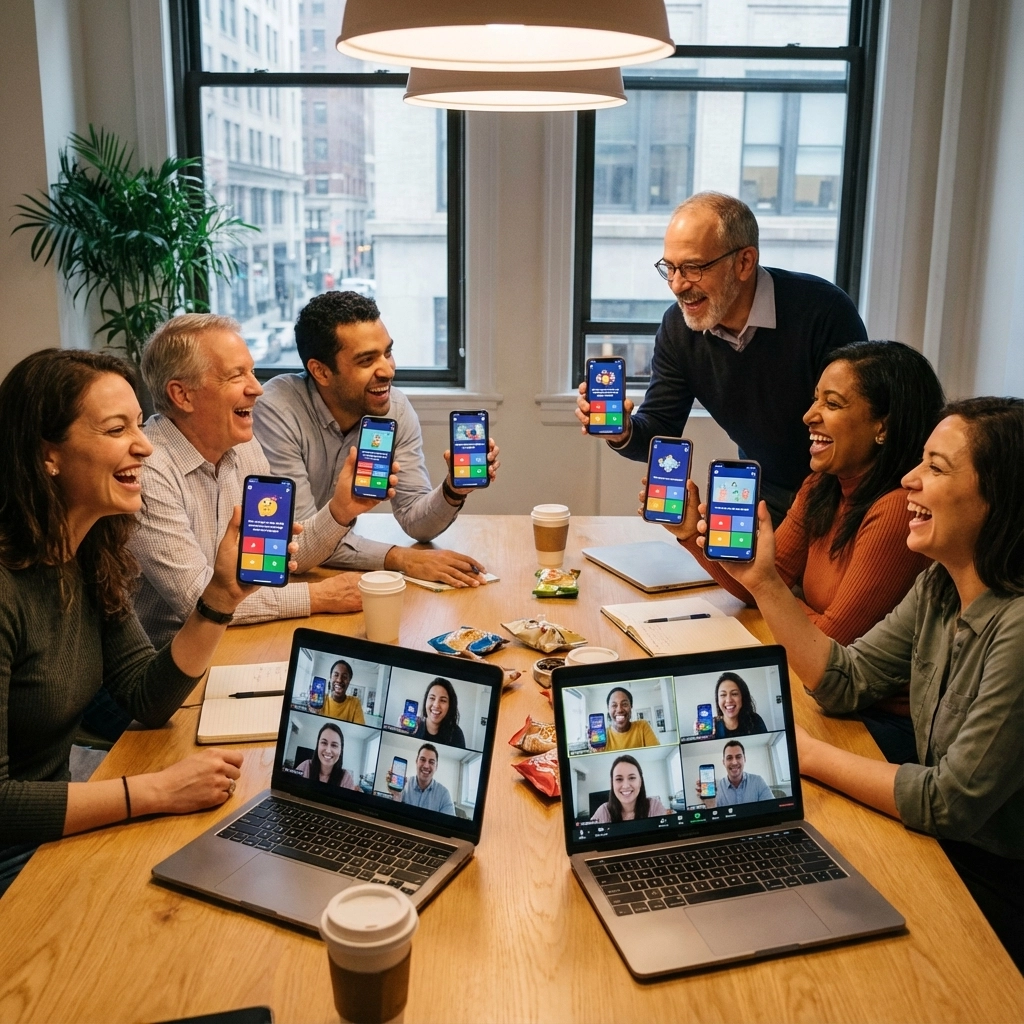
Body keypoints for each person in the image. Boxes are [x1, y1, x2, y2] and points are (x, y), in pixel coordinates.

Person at [697, 397, 1023, 969]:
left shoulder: (1017, 628)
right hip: (940, 844)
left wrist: (803, 754)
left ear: (999, 498)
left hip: (992, 882)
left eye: (936, 468)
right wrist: (765, 582)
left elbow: (949, 803)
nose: (909, 480)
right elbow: (845, 680)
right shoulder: (939, 588)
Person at [0, 349, 267, 896]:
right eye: (116, 429)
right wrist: (154, 791)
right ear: (48, 454)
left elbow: (146, 698)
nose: (144, 446)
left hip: (54, 828)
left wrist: (220, 597)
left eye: (138, 426)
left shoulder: (87, 553)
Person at [659, 341, 944, 762]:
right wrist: (688, 534)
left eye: (832, 403)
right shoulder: (821, 486)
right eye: (815, 399)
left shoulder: (897, 509)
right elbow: (755, 583)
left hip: (873, 721)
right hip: (819, 689)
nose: (809, 416)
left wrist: (779, 598)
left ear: (883, 425)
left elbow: (829, 643)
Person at [577, 191, 867, 524]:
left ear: (744, 262)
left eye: (692, 268)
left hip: (840, 494)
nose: (676, 285)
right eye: (669, 268)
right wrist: (622, 431)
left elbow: (856, 429)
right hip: (764, 492)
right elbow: (659, 430)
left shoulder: (824, 311)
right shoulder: (678, 328)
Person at [131, 313, 393, 652]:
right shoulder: (148, 471)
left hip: (233, 640)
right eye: (236, 375)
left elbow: (282, 557)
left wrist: (341, 511)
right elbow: (200, 600)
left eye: (251, 371)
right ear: (182, 395)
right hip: (166, 664)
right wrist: (316, 596)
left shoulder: (243, 446)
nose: (256, 389)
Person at [254, 291, 501, 587]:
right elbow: (296, 547)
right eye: (366, 360)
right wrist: (400, 558)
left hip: (327, 577)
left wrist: (452, 490)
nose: (387, 370)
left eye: (387, 352)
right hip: (275, 581)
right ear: (320, 371)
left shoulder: (394, 408)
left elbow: (416, 521)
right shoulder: (276, 410)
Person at [589, 755, 668, 823]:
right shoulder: (603, 811)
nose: (626, 786)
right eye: (619, 779)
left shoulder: (654, 806)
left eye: (632, 778)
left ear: (640, 781)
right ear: (612, 783)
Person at [696, 740, 774, 808]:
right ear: (724, 762)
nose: (734, 762)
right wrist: (710, 804)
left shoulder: (758, 782)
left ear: (744, 759)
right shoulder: (716, 788)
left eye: (738, 757)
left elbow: (772, 809)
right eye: (729, 758)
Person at [391, 743, 455, 816]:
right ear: (416, 761)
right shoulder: (403, 785)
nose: (426, 766)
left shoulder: (444, 794)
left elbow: (448, 824)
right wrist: (396, 795)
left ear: (436, 766)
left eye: (431, 762)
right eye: (422, 760)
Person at [703, 673, 768, 739]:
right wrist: (702, 738)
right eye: (723, 695)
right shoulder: (712, 725)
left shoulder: (755, 720)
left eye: (734, 694)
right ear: (718, 700)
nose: (728, 700)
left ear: (742, 697)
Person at [294, 723, 357, 789]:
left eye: (334, 745)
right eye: (324, 743)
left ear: (341, 750)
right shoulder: (305, 766)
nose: (328, 750)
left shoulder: (346, 778)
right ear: (318, 745)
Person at [411, 678, 466, 748]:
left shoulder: (456, 734)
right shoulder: (414, 725)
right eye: (432, 698)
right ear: (426, 701)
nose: (436, 705)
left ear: (450, 705)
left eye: (443, 700)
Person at [319, 659, 365, 724]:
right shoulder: (321, 699)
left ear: (349, 681)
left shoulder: (355, 703)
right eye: (336, 675)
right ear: (330, 677)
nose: (339, 680)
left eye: (344, 677)